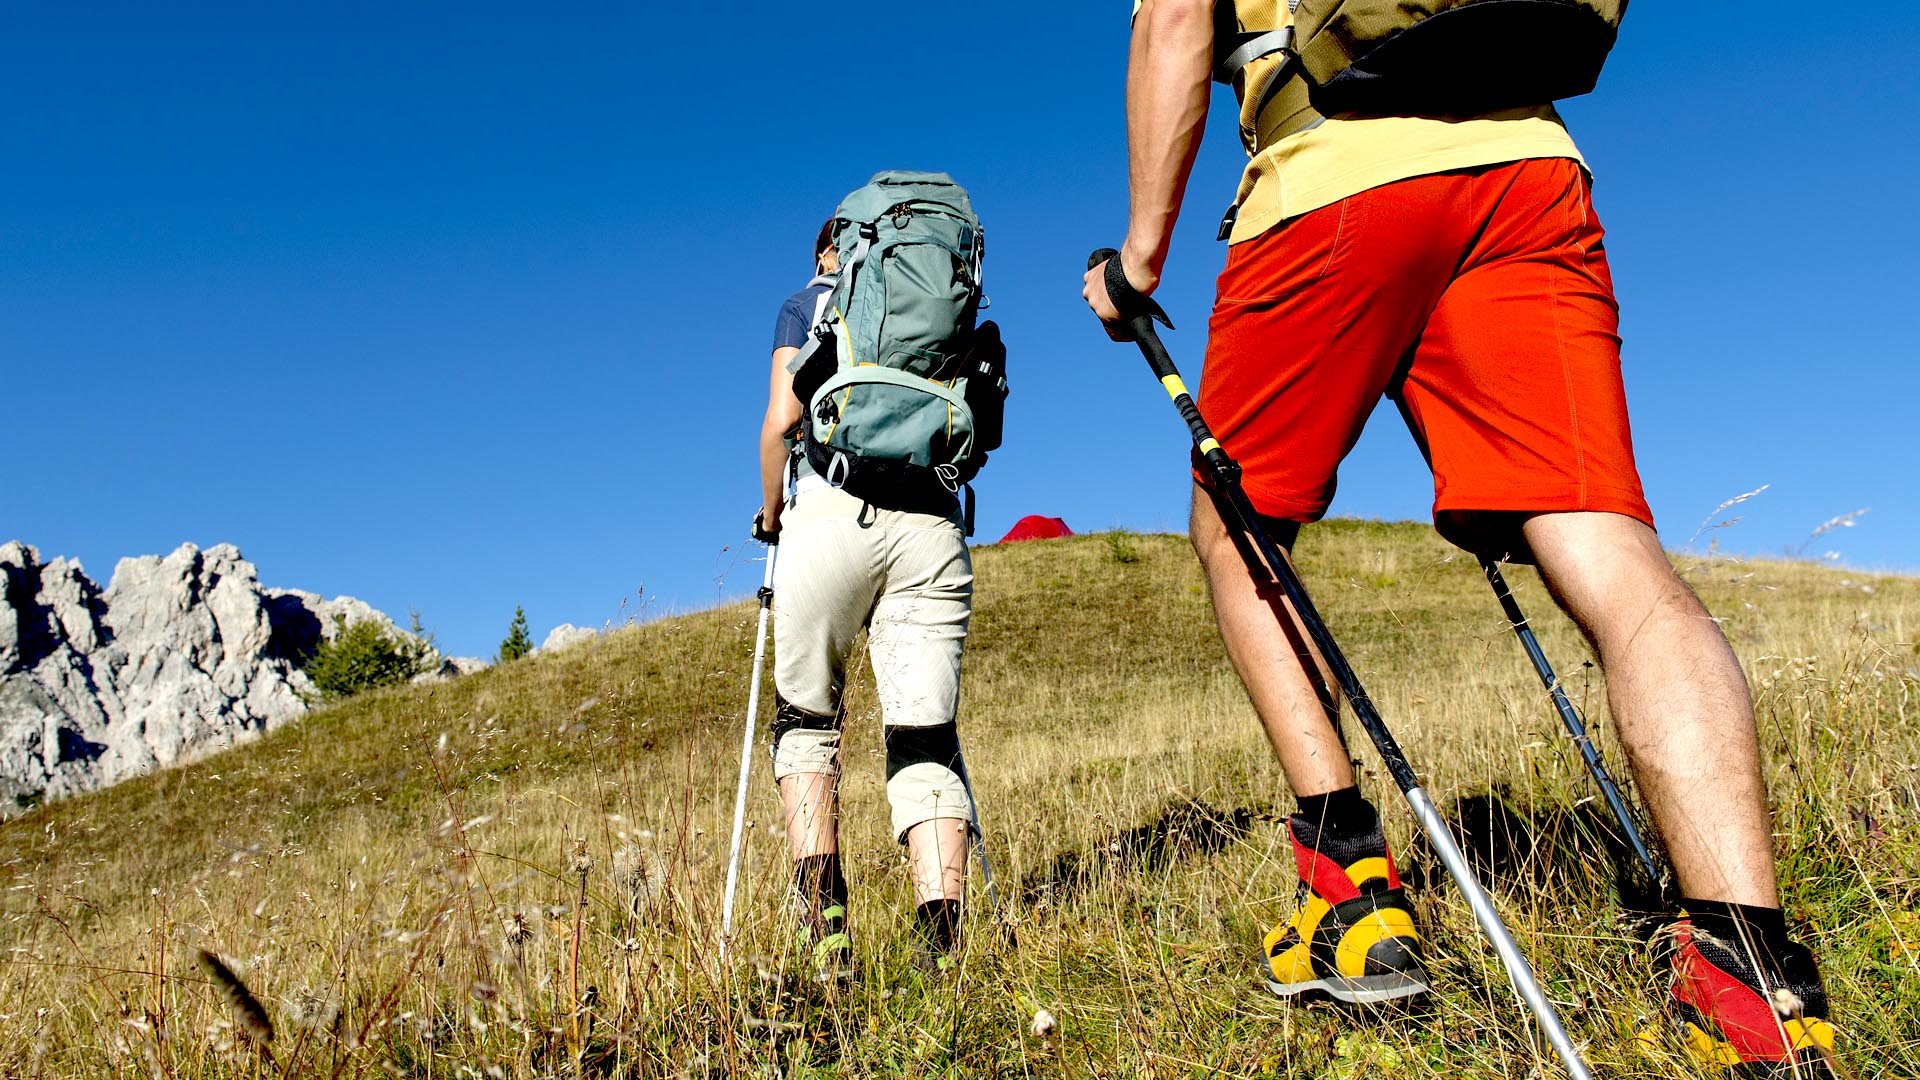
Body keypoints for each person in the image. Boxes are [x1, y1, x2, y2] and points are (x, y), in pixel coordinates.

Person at [1081, 1, 1841, 1070]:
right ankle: (1751, 974)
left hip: (1329, 180)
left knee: (1241, 528)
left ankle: (1349, 898)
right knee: (1606, 542)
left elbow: (1170, 22)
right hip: (1526, 169)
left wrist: (1140, 258)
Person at [754, 219, 979, 978]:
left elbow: (783, 420)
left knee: (808, 720)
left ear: (833, 253)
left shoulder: (809, 304)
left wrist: (769, 512)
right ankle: (942, 942)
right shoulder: (942, 302)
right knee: (924, 733)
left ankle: (827, 931)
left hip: (831, 506)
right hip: (932, 522)